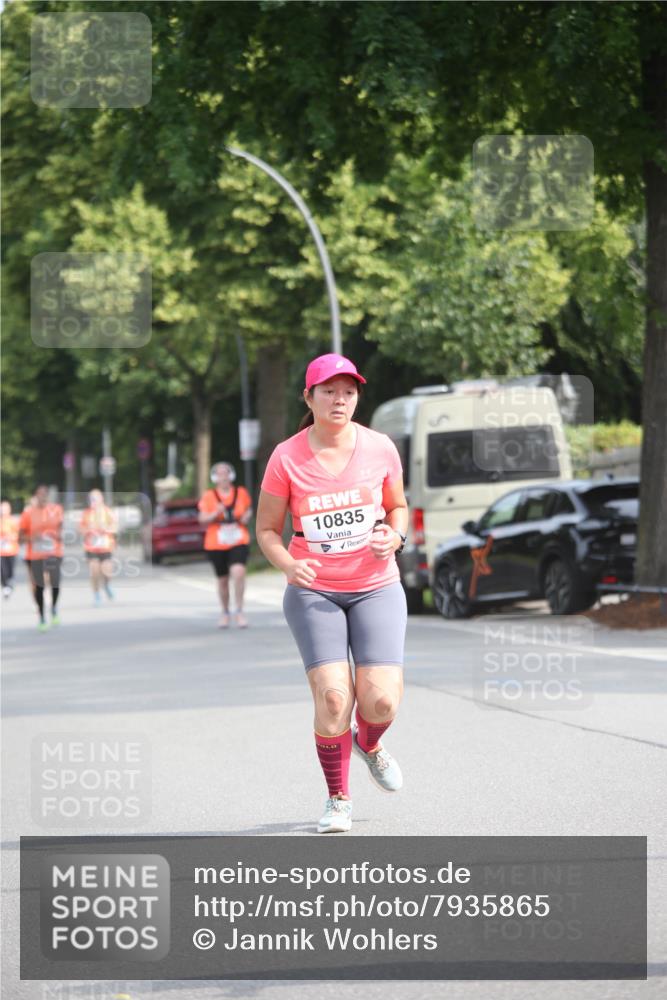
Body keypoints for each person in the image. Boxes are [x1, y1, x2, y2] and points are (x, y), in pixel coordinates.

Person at [256, 353, 409, 833]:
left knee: (381, 703)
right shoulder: (286, 457)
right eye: (328, 391)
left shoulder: (380, 447)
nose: (339, 399)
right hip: (314, 591)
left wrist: (395, 535)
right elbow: (266, 530)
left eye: (348, 391)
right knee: (334, 698)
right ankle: (338, 798)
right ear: (309, 397)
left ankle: (370, 742)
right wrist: (289, 564)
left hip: (376, 586)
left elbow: (399, 507)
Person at [198, 462, 253, 628]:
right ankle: (225, 611)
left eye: (226, 473)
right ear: (214, 478)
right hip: (216, 542)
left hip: (238, 539)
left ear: (231, 476)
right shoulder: (209, 496)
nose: (223, 477)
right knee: (222, 580)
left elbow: (248, 509)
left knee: (239, 572)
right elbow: (202, 519)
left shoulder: (241, 492)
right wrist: (216, 512)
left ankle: (239, 610)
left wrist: (247, 516)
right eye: (220, 474)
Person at [18, 485, 64, 631]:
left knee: (55, 582)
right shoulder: (28, 513)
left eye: (45, 494)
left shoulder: (56, 510)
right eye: (40, 494)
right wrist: (32, 537)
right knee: (39, 586)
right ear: (35, 496)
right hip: (35, 555)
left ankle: (54, 608)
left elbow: (61, 530)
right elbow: (20, 538)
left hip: (53, 553)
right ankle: (42, 617)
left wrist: (57, 535)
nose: (43, 496)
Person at [80, 489, 118, 605]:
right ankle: (96, 594)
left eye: (96, 498)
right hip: (91, 547)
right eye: (92, 499)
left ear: (101, 499)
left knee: (107, 571)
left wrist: (106, 529)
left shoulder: (108, 512)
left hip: (105, 547)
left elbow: (115, 527)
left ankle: (106, 585)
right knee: (94, 571)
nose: (94, 501)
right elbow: (81, 529)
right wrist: (89, 529)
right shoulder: (87, 513)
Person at [0, 500, 19, 598]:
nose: (3, 511)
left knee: (10, 570)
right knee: (3, 570)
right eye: (2, 508)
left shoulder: (13, 521)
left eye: (5, 509)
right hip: (1, 551)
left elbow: (18, 534)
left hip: (12, 550)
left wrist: (11, 537)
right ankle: (5, 587)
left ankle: (10, 582)